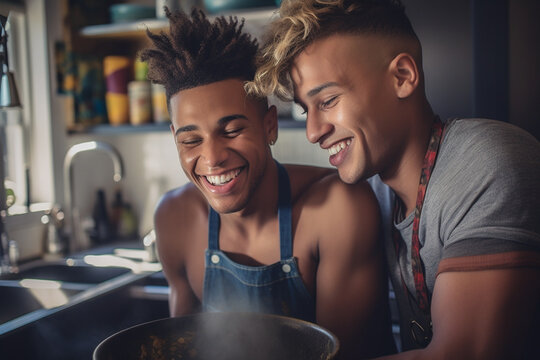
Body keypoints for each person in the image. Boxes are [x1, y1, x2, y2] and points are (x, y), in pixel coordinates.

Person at [247, 0, 540, 359]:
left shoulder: (486, 163)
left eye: (328, 100)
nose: (312, 131)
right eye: (306, 110)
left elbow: (461, 353)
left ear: (402, 76)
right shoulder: (376, 194)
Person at [140, 8, 396, 359]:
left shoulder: (338, 208)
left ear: (269, 126)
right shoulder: (174, 218)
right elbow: (184, 348)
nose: (212, 159)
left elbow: (342, 355)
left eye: (232, 131)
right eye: (190, 140)